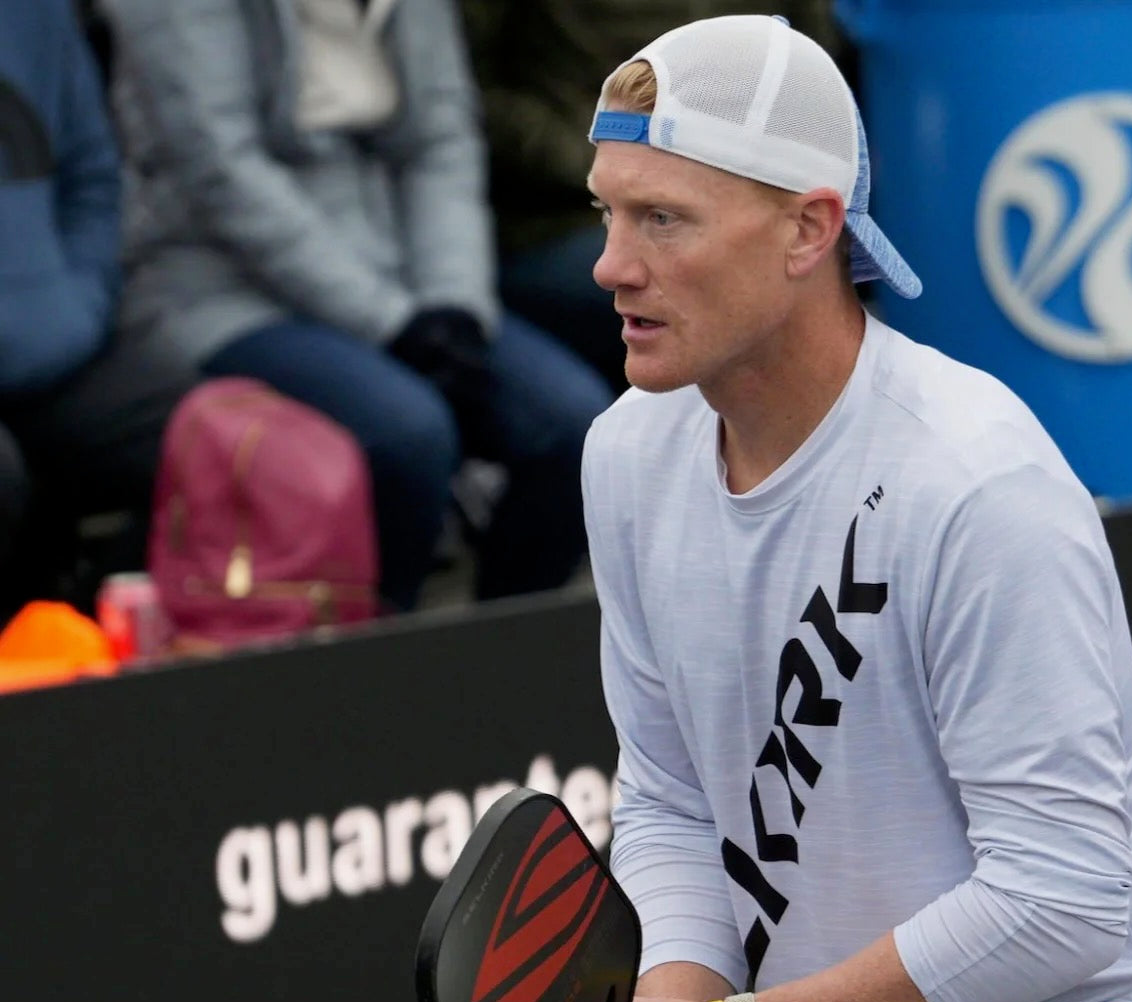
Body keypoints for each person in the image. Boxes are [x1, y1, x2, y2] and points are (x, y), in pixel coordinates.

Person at [535, 15, 1132, 1002]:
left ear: (809, 228)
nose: (612, 264)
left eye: (664, 220)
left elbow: (1061, 902)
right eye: (609, 210)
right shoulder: (626, 455)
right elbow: (673, 798)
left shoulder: (973, 480)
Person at [98, 0, 614, 611]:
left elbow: (440, 142)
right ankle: (375, 659)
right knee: (406, 435)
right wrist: (391, 322)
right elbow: (221, 174)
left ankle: (491, 665)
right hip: (220, 288)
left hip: (399, 276)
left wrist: (454, 305)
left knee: (572, 426)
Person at [459, 0, 840, 396]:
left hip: (734, 188)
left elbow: (813, 82)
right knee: (711, 286)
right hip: (556, 217)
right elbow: (464, 95)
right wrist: (614, 154)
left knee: (804, 278)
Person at [0, 0, 184, 621]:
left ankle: (81, 659)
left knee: (224, 447)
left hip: (57, 341)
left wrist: (77, 307)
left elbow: (94, 179)